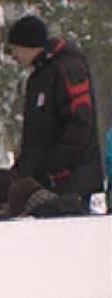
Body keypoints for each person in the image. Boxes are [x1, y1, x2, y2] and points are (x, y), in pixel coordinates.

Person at [6, 14, 103, 214]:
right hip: (44, 182)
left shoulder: (68, 68)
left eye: (14, 49)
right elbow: (36, 134)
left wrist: (53, 166)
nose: (13, 56)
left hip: (70, 181)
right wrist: (24, 169)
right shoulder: (38, 77)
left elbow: (80, 123)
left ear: (29, 44)